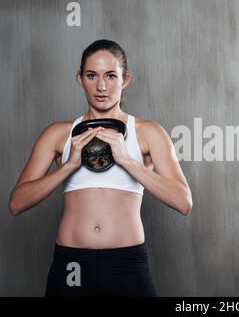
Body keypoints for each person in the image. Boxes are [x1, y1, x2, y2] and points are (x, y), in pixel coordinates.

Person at [8, 39, 193, 297]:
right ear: (80, 79)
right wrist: (68, 166)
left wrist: (127, 159)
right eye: (92, 75)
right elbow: (16, 203)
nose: (102, 86)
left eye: (111, 76)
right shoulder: (58, 134)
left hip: (127, 265)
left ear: (125, 79)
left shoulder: (148, 132)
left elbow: (183, 202)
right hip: (71, 264)